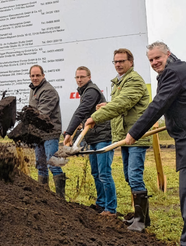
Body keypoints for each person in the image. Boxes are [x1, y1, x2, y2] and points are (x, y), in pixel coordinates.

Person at [125, 41, 186, 246]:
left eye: (158, 57)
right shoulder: (179, 70)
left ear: (168, 54)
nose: (155, 62)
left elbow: (158, 103)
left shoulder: (173, 72)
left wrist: (134, 132)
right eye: (151, 60)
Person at [85, 48, 151, 231]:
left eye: (122, 61)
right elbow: (121, 103)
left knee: (135, 177)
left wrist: (96, 117)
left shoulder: (135, 80)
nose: (118, 64)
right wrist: (108, 105)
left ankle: (141, 221)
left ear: (131, 62)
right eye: (115, 62)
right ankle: (143, 217)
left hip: (136, 135)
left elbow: (123, 103)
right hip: (125, 137)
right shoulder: (119, 82)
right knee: (130, 177)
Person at [63, 66, 116, 217]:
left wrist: (68, 132)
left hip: (103, 136)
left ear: (89, 77)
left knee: (104, 173)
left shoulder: (91, 91)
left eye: (82, 77)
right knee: (96, 172)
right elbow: (87, 115)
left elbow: (81, 111)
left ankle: (111, 209)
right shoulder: (85, 91)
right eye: (77, 77)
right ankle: (101, 204)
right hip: (93, 137)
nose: (79, 80)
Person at [28, 64, 66, 199]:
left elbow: (42, 114)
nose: (35, 78)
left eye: (38, 75)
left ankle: (60, 198)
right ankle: (44, 199)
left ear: (43, 76)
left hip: (50, 133)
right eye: (32, 75)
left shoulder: (48, 91)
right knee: (40, 165)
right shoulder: (34, 90)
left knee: (53, 163)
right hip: (38, 133)